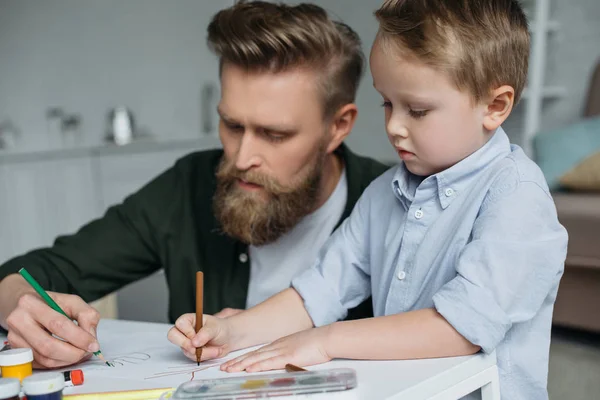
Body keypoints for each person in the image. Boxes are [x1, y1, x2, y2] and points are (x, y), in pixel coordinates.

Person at [168, 0, 568, 399]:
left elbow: (460, 329)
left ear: (495, 106)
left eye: (417, 109)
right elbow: (320, 292)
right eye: (387, 102)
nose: (394, 126)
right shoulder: (385, 192)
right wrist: (232, 331)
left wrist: (325, 340)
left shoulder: (516, 199)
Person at [0, 1, 389, 369]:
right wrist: (21, 303)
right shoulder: (189, 185)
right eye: (233, 125)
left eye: (274, 134)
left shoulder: (394, 199)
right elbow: (29, 274)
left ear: (338, 126)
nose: (240, 159)